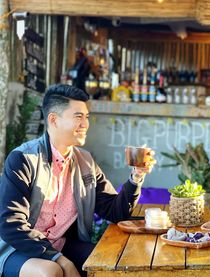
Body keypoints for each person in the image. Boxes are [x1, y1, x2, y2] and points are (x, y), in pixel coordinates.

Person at [0, 84, 156, 277]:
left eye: (86, 117)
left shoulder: (85, 161)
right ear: (53, 120)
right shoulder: (24, 159)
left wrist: (137, 176)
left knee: (110, 261)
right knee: (50, 271)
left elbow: (115, 211)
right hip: (18, 248)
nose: (85, 124)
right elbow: (11, 224)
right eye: (78, 117)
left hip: (61, 244)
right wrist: (60, 259)